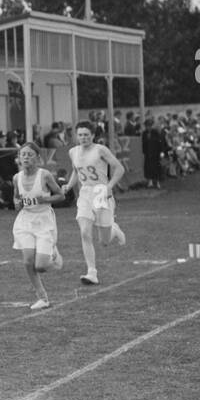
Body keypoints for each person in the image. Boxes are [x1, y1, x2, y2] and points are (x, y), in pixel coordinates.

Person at [64, 120, 126, 282]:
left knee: (104, 241)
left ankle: (113, 229)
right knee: (84, 232)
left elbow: (119, 168)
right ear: (76, 136)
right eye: (80, 135)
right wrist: (69, 186)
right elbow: (76, 171)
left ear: (92, 135)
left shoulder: (100, 150)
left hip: (100, 192)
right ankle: (92, 272)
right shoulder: (73, 152)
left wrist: (110, 186)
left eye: (86, 135)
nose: (83, 138)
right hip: (85, 193)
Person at [11, 142, 64, 310]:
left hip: (44, 220)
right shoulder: (16, 178)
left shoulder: (45, 175)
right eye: (23, 155)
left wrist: (46, 199)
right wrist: (17, 203)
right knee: (28, 261)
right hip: (25, 221)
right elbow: (16, 198)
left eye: (29, 154)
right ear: (18, 158)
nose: (26, 157)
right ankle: (42, 297)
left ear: (38, 158)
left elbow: (60, 195)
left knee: (40, 266)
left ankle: (53, 253)